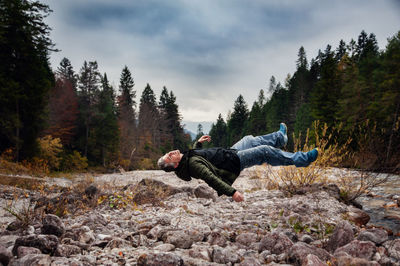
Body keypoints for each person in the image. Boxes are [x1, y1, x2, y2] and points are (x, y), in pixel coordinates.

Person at [157, 123, 318, 202]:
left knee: (249, 139)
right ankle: (302, 160)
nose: (170, 153)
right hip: (233, 162)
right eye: (169, 157)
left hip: (229, 152)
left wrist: (198, 143)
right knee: (264, 151)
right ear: (175, 165)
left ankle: (280, 138)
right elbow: (212, 179)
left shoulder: (186, 158)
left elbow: (195, 154)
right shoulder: (192, 166)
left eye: (167, 153)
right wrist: (232, 192)